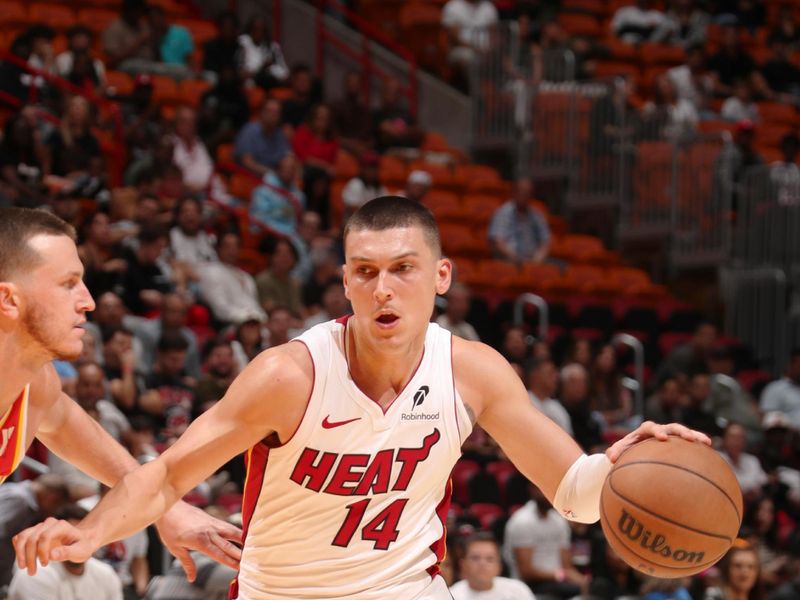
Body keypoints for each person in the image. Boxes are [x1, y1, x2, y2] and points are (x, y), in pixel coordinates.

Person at [14, 197, 709, 599]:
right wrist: (92, 531)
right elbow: (166, 475)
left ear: (440, 276)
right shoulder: (289, 376)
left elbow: (578, 495)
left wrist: (623, 464)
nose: (384, 290)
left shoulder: (473, 372)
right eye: (366, 272)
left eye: (404, 270)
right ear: (344, 281)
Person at [0, 207, 240, 583]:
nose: (88, 301)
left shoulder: (37, 386)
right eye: (68, 283)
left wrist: (167, 510)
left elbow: (97, 450)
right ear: (10, 300)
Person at [8, 504, 124, 600]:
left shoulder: (106, 574)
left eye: (79, 537)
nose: (74, 544)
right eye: (67, 538)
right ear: (53, 537)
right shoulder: (37, 572)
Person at [449, 532, 535, 600]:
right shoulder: (451, 595)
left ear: (499, 566)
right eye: (475, 558)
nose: (482, 564)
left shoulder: (518, 590)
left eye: (490, 559)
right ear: (463, 565)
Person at [488, 177, 551, 264]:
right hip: (509, 258)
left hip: (533, 260)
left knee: (561, 267)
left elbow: (545, 241)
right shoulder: (503, 213)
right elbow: (498, 242)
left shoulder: (537, 216)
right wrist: (517, 258)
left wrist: (538, 258)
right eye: (521, 191)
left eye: (528, 192)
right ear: (514, 192)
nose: (524, 195)